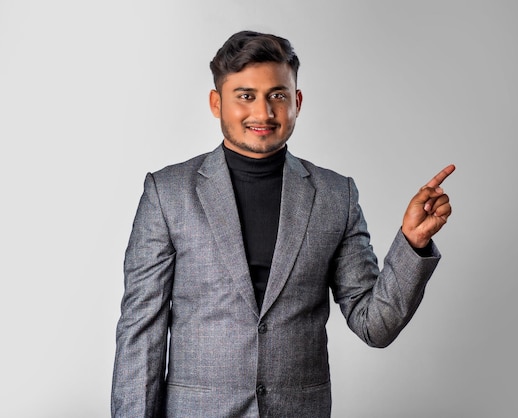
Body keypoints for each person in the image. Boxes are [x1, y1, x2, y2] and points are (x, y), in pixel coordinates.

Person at [111, 30, 454, 417]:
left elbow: (373, 324)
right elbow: (141, 332)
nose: (263, 112)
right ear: (216, 102)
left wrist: (412, 243)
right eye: (245, 96)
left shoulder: (335, 195)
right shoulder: (168, 192)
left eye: (277, 95)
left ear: (297, 101)